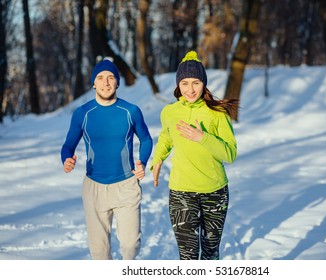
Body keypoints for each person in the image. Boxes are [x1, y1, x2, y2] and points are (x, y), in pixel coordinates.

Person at [61, 59, 153, 260]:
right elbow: (68, 146)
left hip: (126, 185)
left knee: (130, 245)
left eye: (111, 77)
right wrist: (67, 159)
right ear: (94, 83)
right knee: (99, 252)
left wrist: (142, 162)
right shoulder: (83, 113)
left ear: (117, 82)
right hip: (94, 188)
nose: (106, 82)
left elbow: (146, 139)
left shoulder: (130, 111)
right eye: (100, 78)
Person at [151, 51, 238, 260]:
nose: (190, 89)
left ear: (204, 84)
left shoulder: (217, 114)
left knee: (209, 254)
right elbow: (166, 137)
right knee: (188, 256)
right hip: (181, 193)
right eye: (185, 83)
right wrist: (158, 159)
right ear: (178, 85)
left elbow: (230, 153)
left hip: (214, 192)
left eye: (196, 82)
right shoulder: (169, 112)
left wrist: (203, 138)